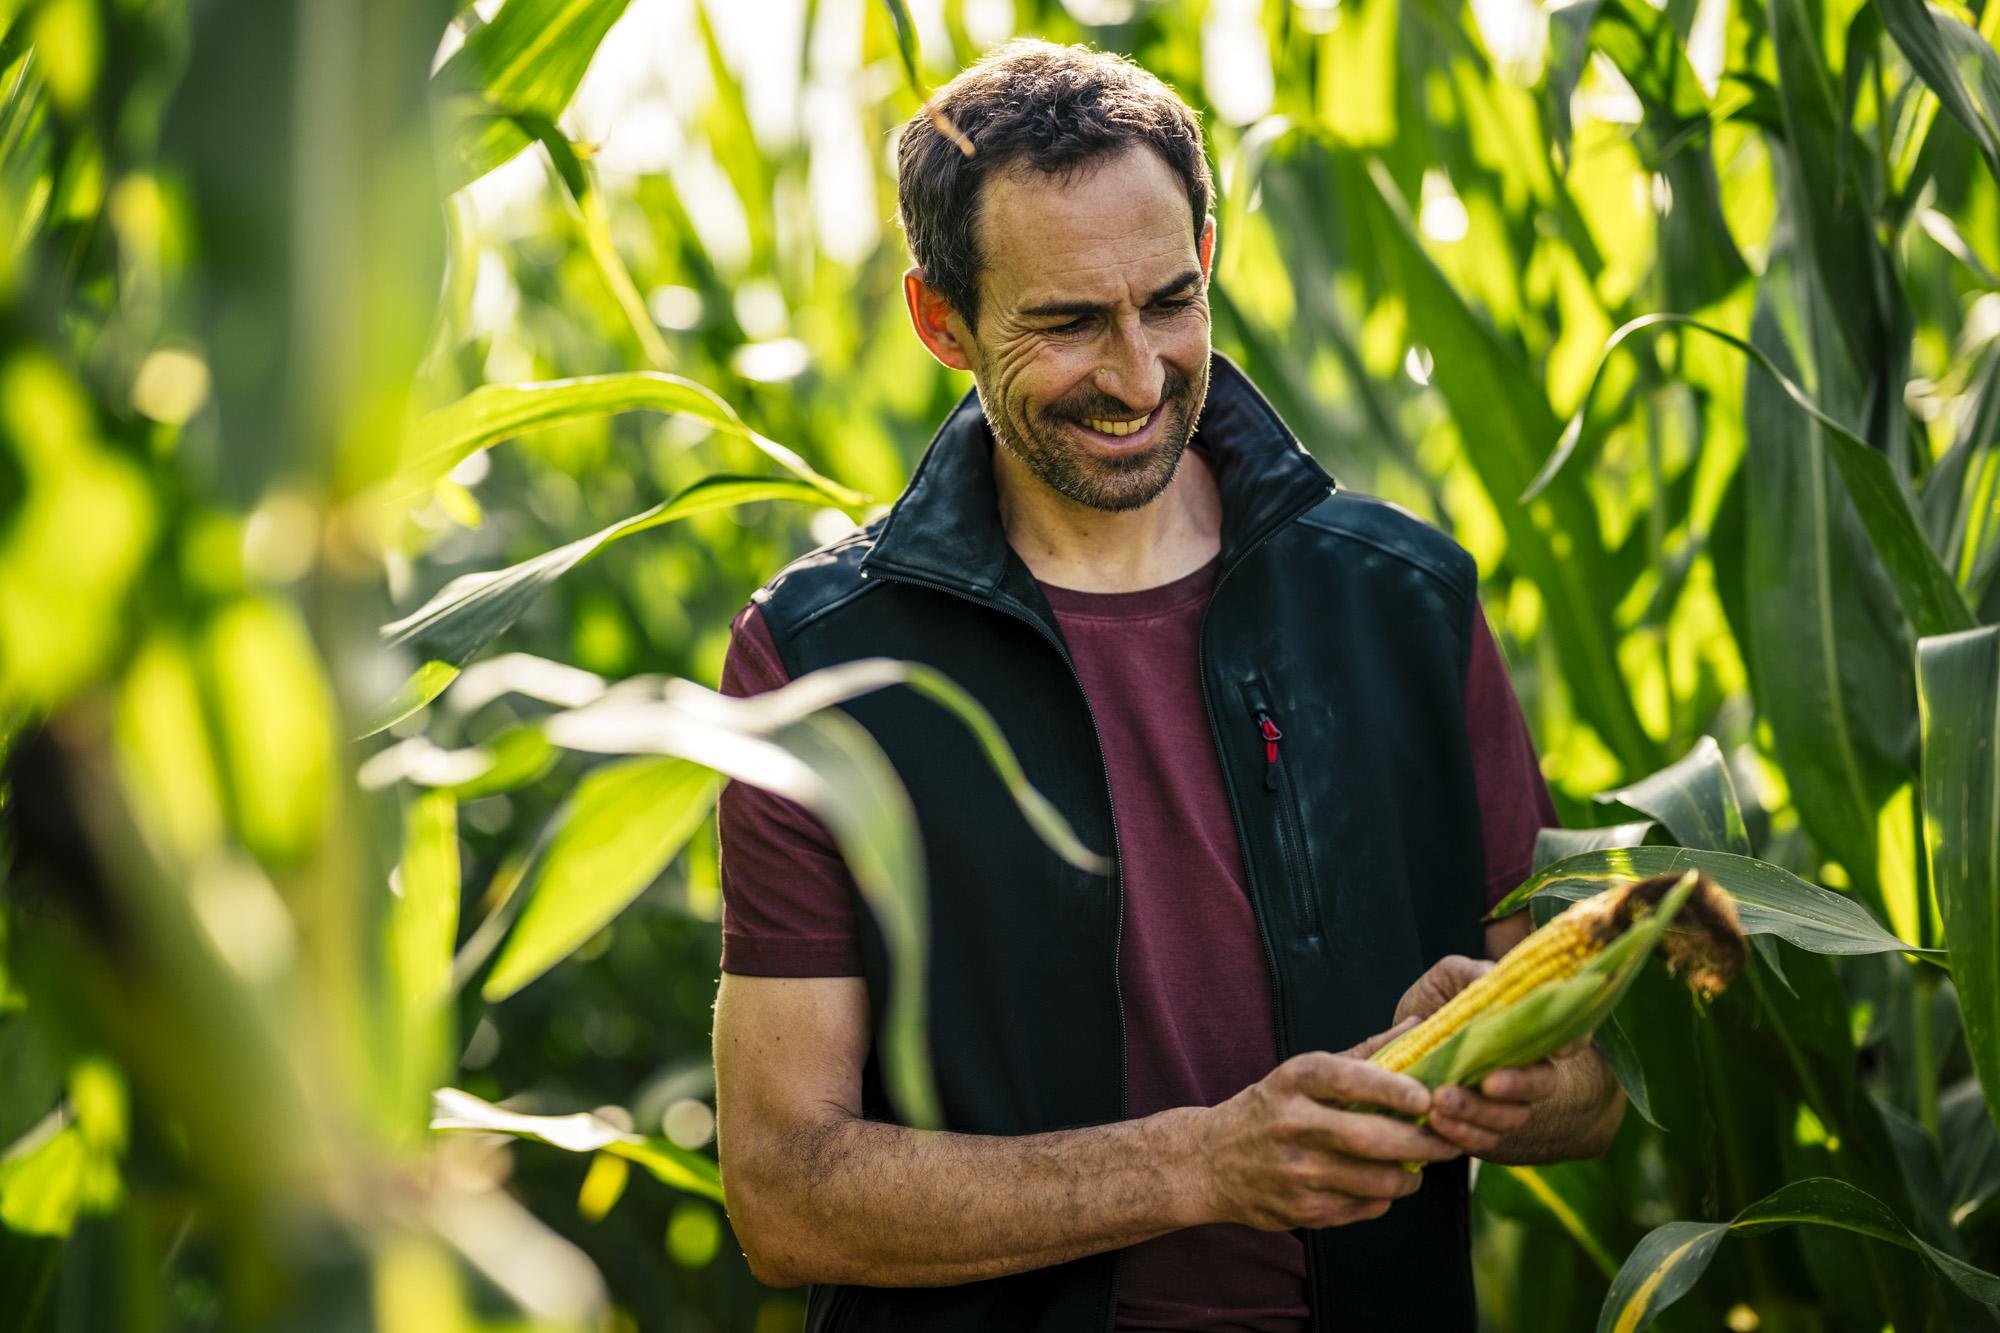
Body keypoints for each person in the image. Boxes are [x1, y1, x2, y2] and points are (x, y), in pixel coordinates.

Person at [709, 39, 1623, 1332]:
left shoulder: (1407, 603)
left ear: (1207, 252)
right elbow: (785, 1193)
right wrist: (1202, 1163)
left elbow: (1594, 1093)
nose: (1138, 377)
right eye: (1068, 323)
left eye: (1169, 301)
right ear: (941, 322)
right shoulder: (818, 664)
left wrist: (1501, 1076)